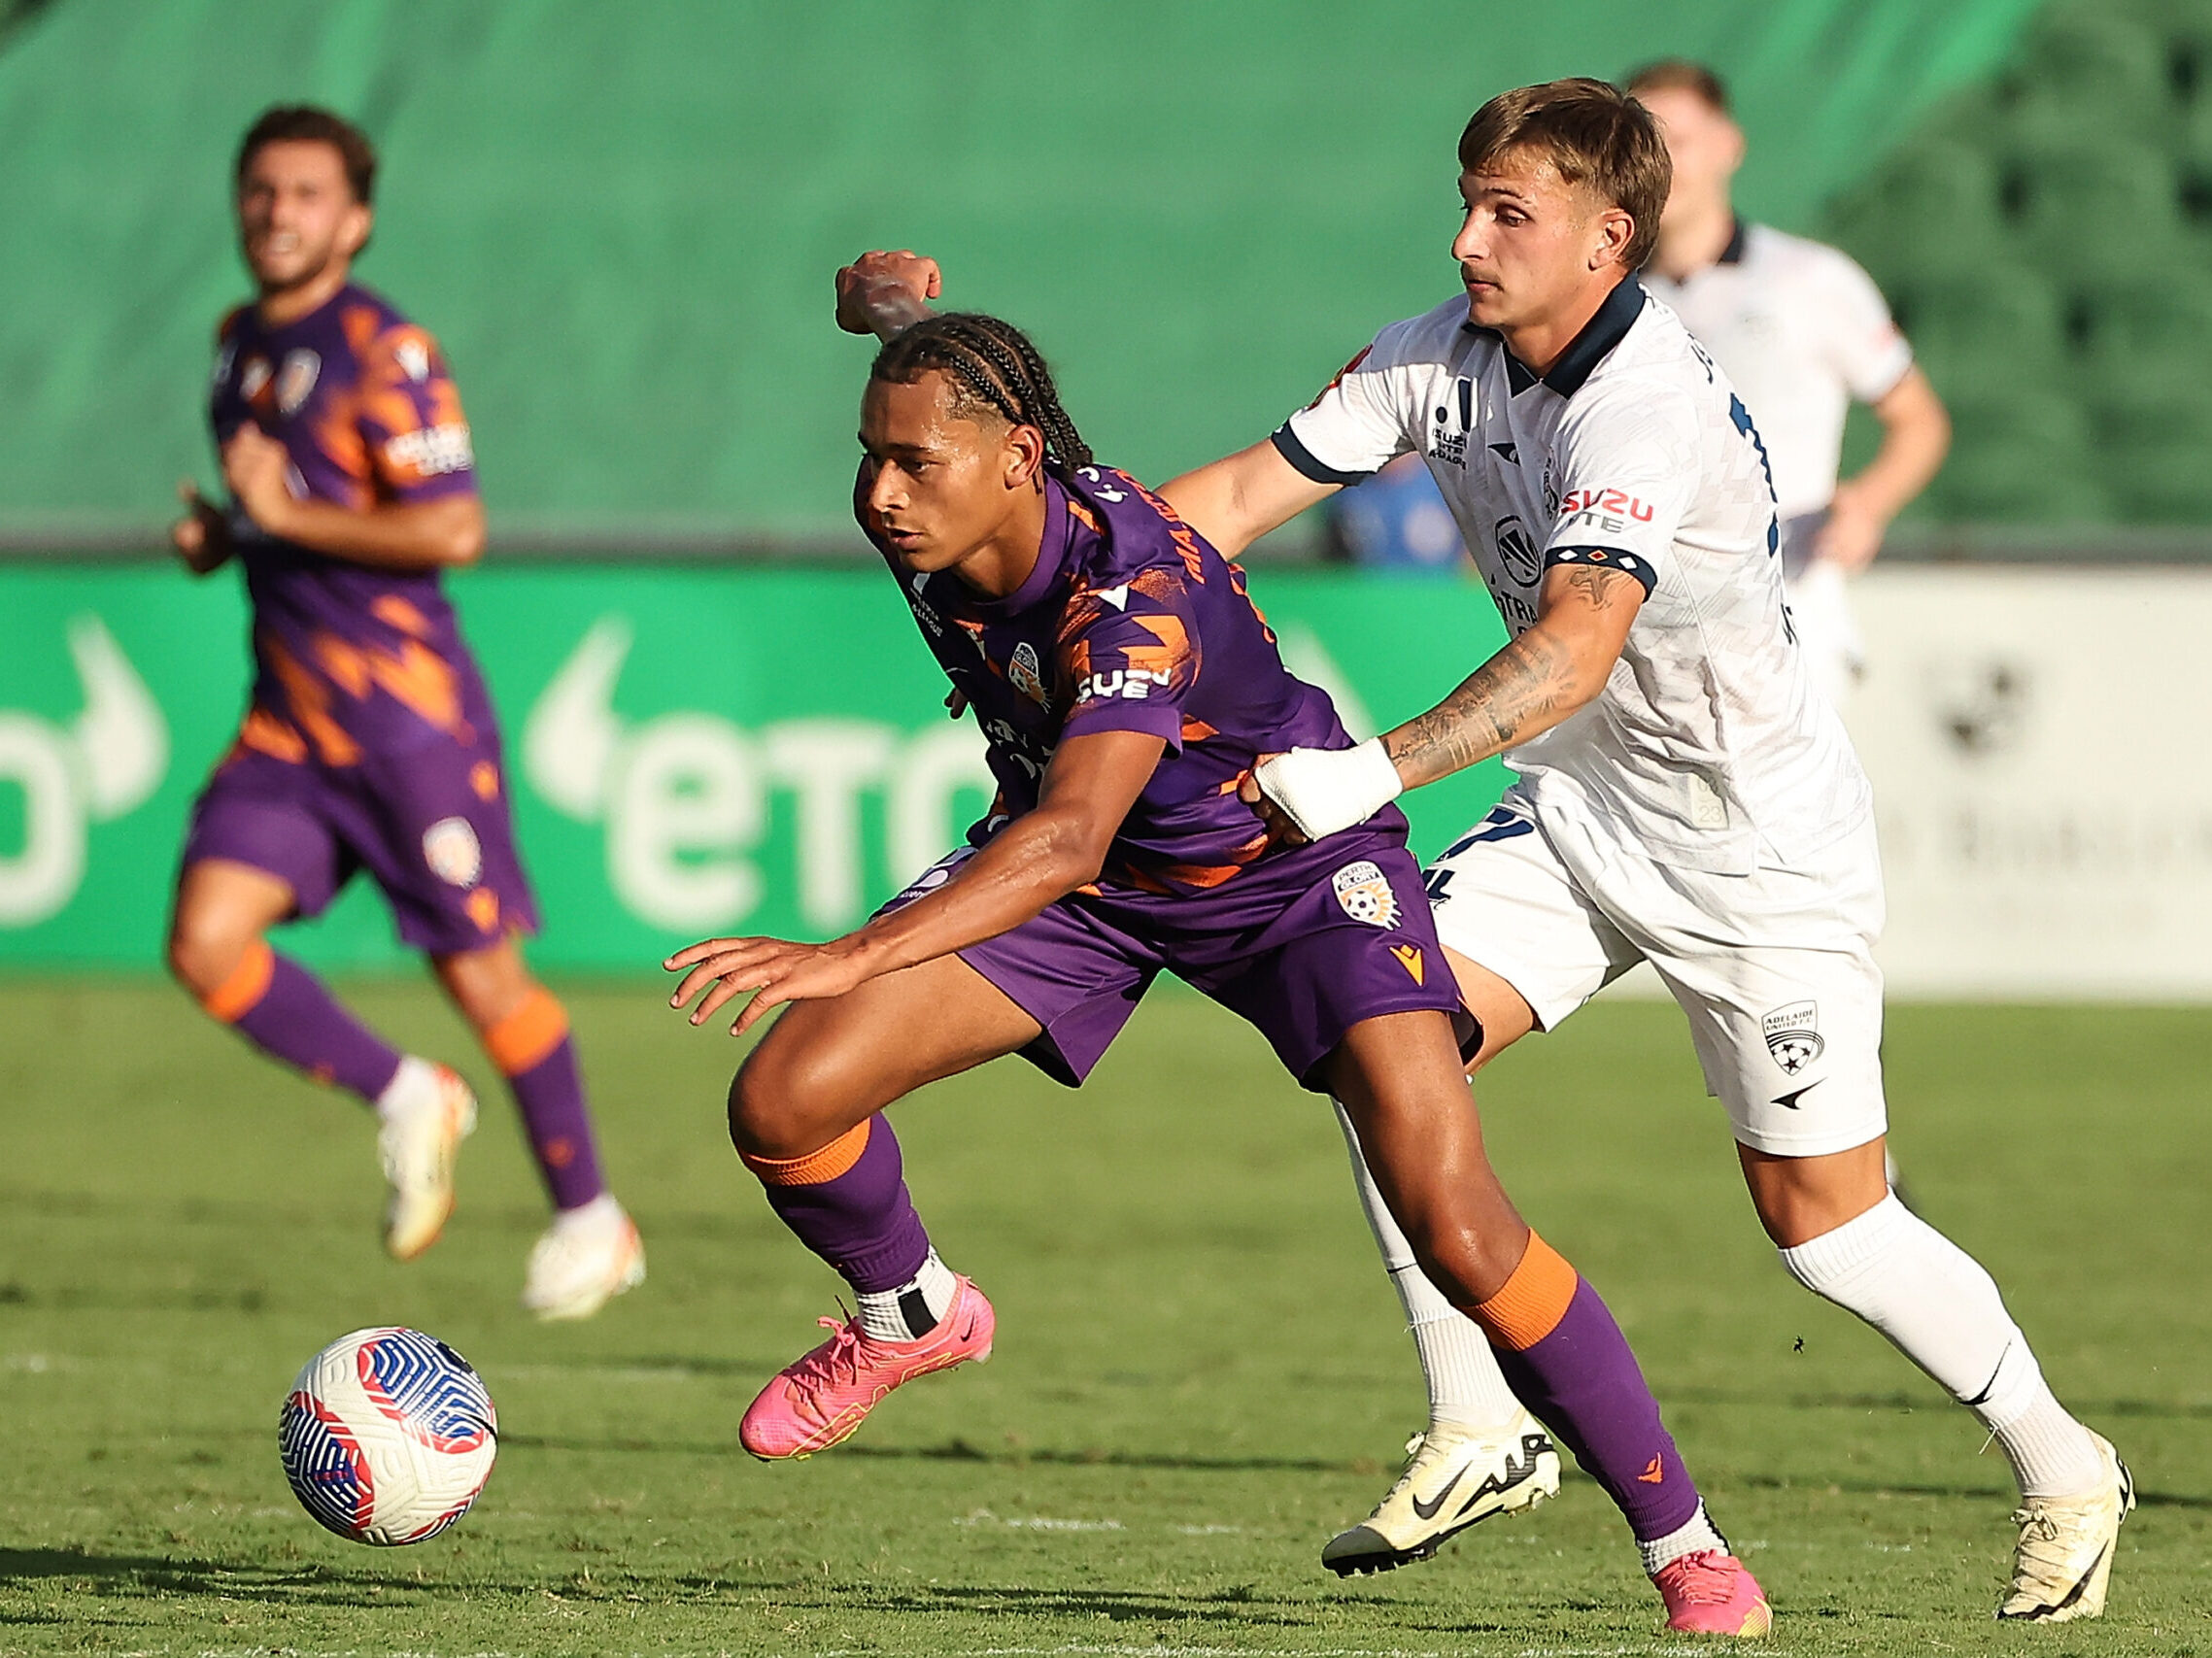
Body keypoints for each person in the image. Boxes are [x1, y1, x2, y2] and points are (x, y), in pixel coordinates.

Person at [1146, 78, 2127, 1623]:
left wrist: (1368, 770)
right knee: (1382, 1042)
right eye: (1466, 201)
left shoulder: (1648, 399)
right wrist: (1068, 554)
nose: (1467, 238)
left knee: (1827, 1227)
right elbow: (1227, 501)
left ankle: (2063, 1458)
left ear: (1610, 238)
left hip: (1756, 851)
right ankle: (1479, 1419)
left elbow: (1572, 650)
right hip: (1577, 814)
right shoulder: (1431, 354)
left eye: (1506, 214)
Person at [664, 296, 1770, 1636]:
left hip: (1292, 869)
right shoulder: (946, 493)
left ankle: (1686, 1544)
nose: (884, 494)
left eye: (915, 462)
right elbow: (1069, 830)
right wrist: (900, 317)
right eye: (870, 454)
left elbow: (1069, 833)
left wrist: (848, 951)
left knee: (1455, 1218)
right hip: (1094, 881)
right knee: (783, 1102)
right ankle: (911, 1312)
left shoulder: (1132, 597)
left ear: (1016, 457)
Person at [166, 106, 644, 1320]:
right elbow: (285, 508)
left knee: (486, 980)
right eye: (261, 190)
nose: (278, 212)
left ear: (356, 219)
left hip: (404, 725)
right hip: (289, 725)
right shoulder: (234, 342)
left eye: (307, 194)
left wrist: (281, 519)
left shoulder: (389, 351)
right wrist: (227, 536)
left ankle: (593, 1219)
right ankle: (403, 1093)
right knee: (205, 941)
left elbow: (453, 530)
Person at [1627, 59, 1950, 710]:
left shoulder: (1806, 279)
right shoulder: (1606, 303)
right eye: (1639, 148)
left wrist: (1867, 503)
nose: (1660, 166)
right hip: (1646, 640)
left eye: (1679, 144)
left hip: (1787, 623)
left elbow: (1918, 419)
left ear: (1727, 146)